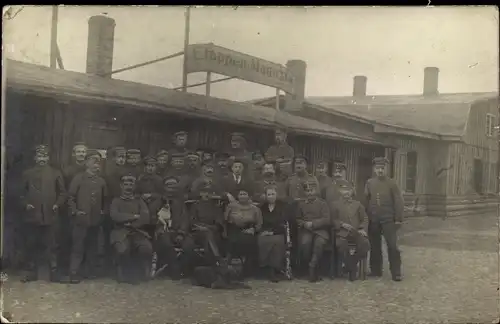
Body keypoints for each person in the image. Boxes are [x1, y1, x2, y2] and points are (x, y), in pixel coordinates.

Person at [20, 145, 66, 282]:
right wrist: (26, 204)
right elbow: (21, 193)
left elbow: (63, 193)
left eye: (44, 156)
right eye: (40, 156)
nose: (42, 159)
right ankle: (32, 272)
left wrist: (57, 204)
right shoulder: (27, 174)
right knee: (32, 243)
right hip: (33, 215)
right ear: (35, 158)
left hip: (50, 215)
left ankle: (54, 272)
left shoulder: (55, 173)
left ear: (48, 158)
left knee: (51, 244)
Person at [64, 150, 108, 284]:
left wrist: (102, 212)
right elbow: (70, 197)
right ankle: (74, 272)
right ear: (87, 163)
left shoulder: (101, 181)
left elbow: (106, 200)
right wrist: (75, 211)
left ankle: (89, 271)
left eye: (98, 163)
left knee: (92, 246)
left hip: (95, 220)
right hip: (81, 219)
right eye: (93, 162)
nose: (96, 165)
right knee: (78, 247)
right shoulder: (79, 178)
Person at [365, 157, 404, 281]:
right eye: (377, 168)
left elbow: (398, 201)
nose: (380, 170)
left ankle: (396, 272)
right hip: (374, 219)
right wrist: (367, 219)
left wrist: (398, 218)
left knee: (392, 246)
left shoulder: (392, 183)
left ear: (385, 169)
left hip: (388, 220)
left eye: (382, 168)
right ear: (374, 169)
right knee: (374, 245)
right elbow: (366, 201)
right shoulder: (370, 183)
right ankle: (376, 270)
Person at [109, 174, 153, 284]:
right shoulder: (116, 201)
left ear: (134, 186)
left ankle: (142, 272)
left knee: (145, 248)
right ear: (121, 186)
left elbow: (145, 217)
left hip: (138, 231)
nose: (128, 187)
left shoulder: (139, 201)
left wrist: (132, 224)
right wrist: (133, 216)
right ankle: (124, 273)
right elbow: (115, 216)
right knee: (122, 249)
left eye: (131, 184)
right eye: (125, 184)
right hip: (120, 231)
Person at [330, 180, 370, 281]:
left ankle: (349, 266)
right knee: (341, 246)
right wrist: (342, 224)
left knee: (365, 244)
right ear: (339, 191)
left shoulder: (358, 204)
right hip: (342, 233)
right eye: (344, 190)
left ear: (352, 191)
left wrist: (362, 228)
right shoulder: (335, 204)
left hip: (356, 232)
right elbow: (332, 220)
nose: (346, 192)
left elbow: (364, 218)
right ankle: (352, 269)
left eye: (349, 190)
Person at [154, 176, 191, 280]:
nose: (171, 188)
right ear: (164, 187)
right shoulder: (158, 202)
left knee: (189, 245)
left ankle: (185, 270)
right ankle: (174, 270)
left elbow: (185, 219)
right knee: (166, 244)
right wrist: (159, 228)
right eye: (169, 185)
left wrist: (181, 233)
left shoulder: (180, 203)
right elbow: (153, 217)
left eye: (174, 186)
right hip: (163, 231)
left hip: (177, 231)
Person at [60, 142, 87, 273]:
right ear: (74, 154)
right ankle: (66, 266)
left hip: (85, 206)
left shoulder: (89, 169)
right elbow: (64, 190)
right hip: (70, 206)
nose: (81, 154)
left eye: (83, 152)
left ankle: (81, 267)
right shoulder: (68, 170)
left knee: (83, 238)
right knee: (68, 236)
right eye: (79, 152)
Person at [224, 188, 263, 278]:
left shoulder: (255, 208)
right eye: (240, 194)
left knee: (249, 242)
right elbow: (225, 220)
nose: (242, 196)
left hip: (249, 230)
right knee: (232, 242)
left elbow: (259, 223)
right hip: (233, 229)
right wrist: (225, 231)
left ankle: (247, 270)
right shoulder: (231, 206)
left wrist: (253, 229)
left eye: (244, 194)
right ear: (237, 196)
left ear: (249, 196)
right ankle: (229, 269)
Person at [296, 182, 330, 282]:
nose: (310, 193)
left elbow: (327, 219)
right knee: (305, 244)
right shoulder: (301, 204)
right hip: (306, 230)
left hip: (321, 231)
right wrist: (304, 224)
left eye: (312, 190)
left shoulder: (323, 204)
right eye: (307, 191)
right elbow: (298, 218)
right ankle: (307, 266)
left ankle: (313, 266)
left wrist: (313, 223)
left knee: (319, 244)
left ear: (316, 191)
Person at [187, 183, 225, 266]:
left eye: (209, 192)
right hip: (198, 232)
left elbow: (219, 223)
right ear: (200, 193)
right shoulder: (195, 206)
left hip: (213, 232)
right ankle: (217, 258)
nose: (206, 194)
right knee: (207, 234)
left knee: (210, 234)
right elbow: (192, 221)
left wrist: (210, 228)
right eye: (204, 192)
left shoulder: (216, 207)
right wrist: (201, 228)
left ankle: (212, 262)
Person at [258, 185, 287, 282]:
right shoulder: (262, 208)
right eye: (269, 194)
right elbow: (259, 222)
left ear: (276, 195)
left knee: (277, 242)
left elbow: (284, 222)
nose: (271, 196)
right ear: (265, 196)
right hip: (264, 232)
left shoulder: (283, 206)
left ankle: (275, 269)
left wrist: (272, 232)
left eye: (273, 194)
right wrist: (264, 231)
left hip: (278, 231)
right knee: (262, 241)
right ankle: (267, 269)